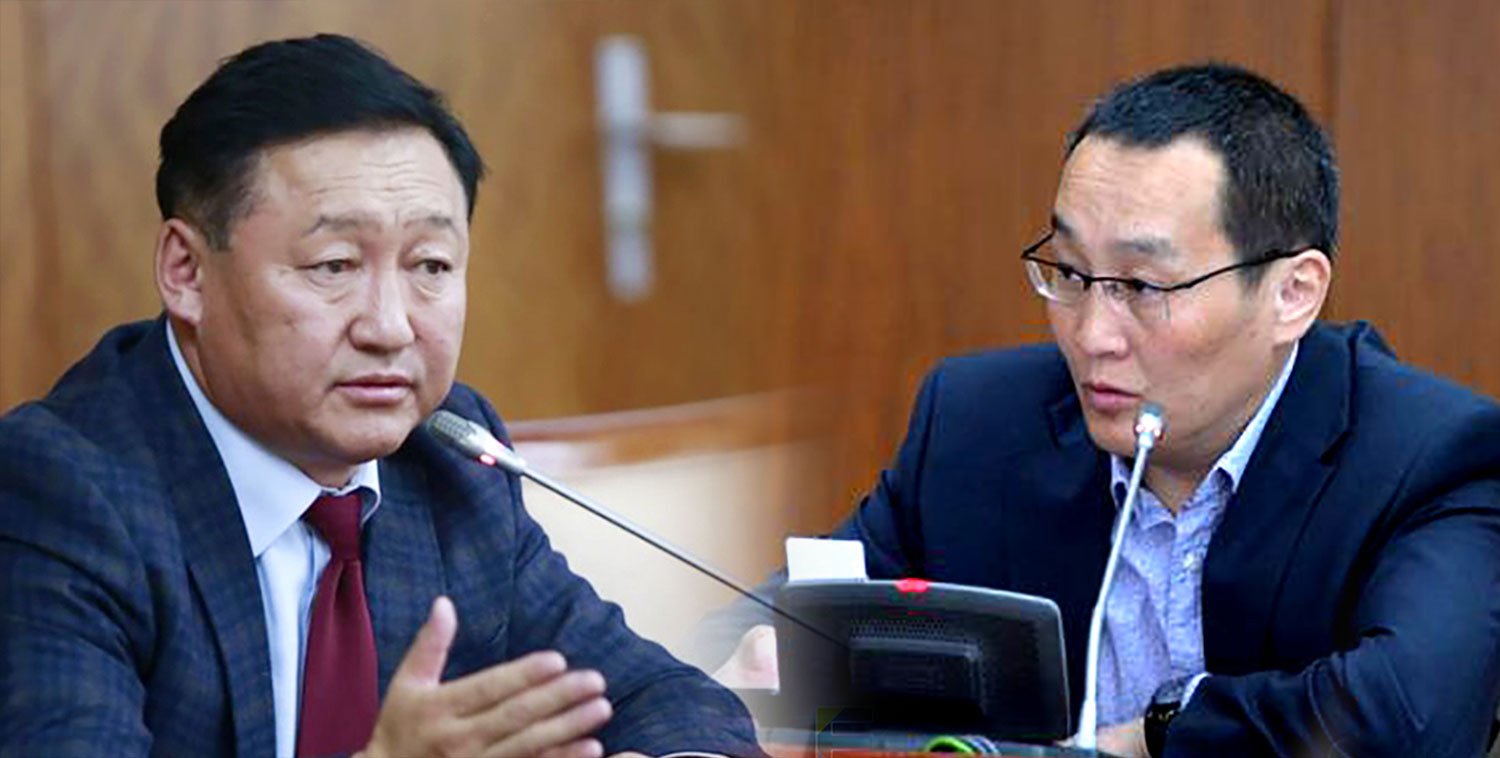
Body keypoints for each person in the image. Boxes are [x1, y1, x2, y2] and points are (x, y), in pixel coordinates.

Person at [700, 63, 1500, 757]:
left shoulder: (1432, 457)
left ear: (1293, 293)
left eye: (1143, 287)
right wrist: (747, 679)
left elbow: (1408, 717)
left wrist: (1153, 733)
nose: (1091, 336)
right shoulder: (978, 425)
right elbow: (756, 635)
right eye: (1072, 273)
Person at [0, 34, 761, 758]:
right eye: (333, 265)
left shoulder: (449, 453)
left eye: (430, 266)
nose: (390, 327)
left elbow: (657, 694)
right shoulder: (61, 493)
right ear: (187, 273)